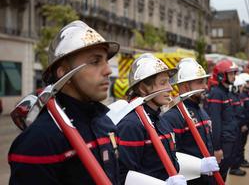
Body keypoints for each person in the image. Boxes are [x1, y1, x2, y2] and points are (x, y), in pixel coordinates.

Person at [8, 20, 121, 184]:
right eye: (96, 61)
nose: (108, 70)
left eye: (106, 61)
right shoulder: (39, 140)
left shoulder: (106, 123)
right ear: (64, 73)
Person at [116, 53, 186, 184]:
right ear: (143, 88)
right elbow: (124, 177)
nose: (170, 88)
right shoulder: (131, 125)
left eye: (169, 82)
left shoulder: (161, 120)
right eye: (163, 83)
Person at [162, 58, 219, 185]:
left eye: (205, 82)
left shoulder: (200, 109)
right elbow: (172, 157)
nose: (205, 86)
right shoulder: (173, 116)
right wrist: (198, 166)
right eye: (200, 82)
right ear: (185, 86)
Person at [206, 59, 240, 181]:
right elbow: (215, 123)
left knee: (224, 174)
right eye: (230, 73)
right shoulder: (217, 94)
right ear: (221, 75)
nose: (233, 76)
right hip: (223, 143)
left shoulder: (226, 92)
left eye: (234, 73)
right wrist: (217, 148)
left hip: (230, 139)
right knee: (218, 177)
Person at [228, 76, 248, 176]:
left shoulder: (237, 97)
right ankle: (234, 168)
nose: (242, 89)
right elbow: (233, 114)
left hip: (239, 126)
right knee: (235, 148)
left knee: (239, 147)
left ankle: (237, 165)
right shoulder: (232, 98)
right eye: (240, 87)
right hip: (235, 127)